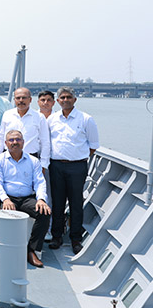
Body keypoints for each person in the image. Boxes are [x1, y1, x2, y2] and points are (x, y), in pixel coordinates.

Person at [48, 87, 99, 255]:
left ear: (75, 100)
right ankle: (56, 236)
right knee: (57, 202)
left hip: (77, 167)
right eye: (62, 97)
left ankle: (75, 239)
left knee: (76, 203)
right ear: (57, 101)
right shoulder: (52, 119)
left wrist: (77, 157)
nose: (65, 100)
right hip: (56, 166)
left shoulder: (86, 119)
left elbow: (93, 145)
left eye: (68, 97)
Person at [0, 130, 51, 267]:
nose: (15, 142)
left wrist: (41, 199)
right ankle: (4, 250)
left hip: (26, 199)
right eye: (11, 140)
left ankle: (31, 250)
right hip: (7, 198)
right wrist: (5, 199)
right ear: (6, 143)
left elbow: (40, 182)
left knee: (44, 213)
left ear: (23, 142)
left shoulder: (33, 161)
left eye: (18, 139)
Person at [0, 88, 51, 169]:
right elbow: (0, 138)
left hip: (31, 160)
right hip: (9, 160)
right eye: (18, 98)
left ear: (30, 100)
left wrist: (43, 165)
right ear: (14, 100)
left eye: (24, 98)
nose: (21, 100)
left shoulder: (39, 117)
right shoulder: (7, 115)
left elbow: (45, 142)